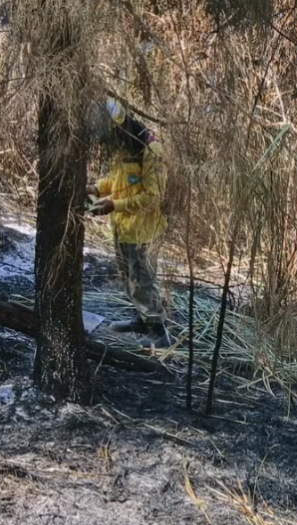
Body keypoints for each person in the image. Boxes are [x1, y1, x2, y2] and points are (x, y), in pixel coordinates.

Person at [87, 99, 171, 348]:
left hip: (144, 230)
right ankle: (142, 318)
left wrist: (114, 205)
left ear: (122, 126)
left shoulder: (151, 149)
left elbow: (153, 197)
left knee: (143, 279)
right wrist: (94, 188)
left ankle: (158, 332)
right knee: (129, 278)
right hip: (122, 227)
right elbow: (116, 181)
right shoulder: (122, 148)